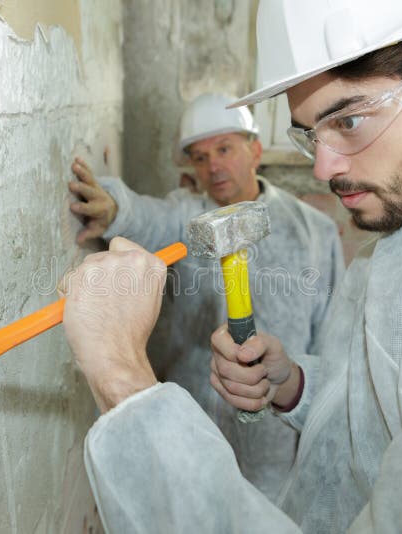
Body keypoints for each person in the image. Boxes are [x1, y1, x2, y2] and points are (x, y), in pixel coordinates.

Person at [61, 1, 402, 532]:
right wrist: (297, 383)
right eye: (310, 133)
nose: (323, 167)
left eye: (349, 119)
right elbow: (390, 401)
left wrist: (122, 378)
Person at [68, 92, 344, 498]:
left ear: (254, 149)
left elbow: (330, 338)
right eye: (199, 157)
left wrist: (309, 417)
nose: (213, 165)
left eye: (224, 148)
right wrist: (114, 211)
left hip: (274, 438)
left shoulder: (313, 230)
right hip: (193, 420)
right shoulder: (188, 216)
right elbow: (148, 218)